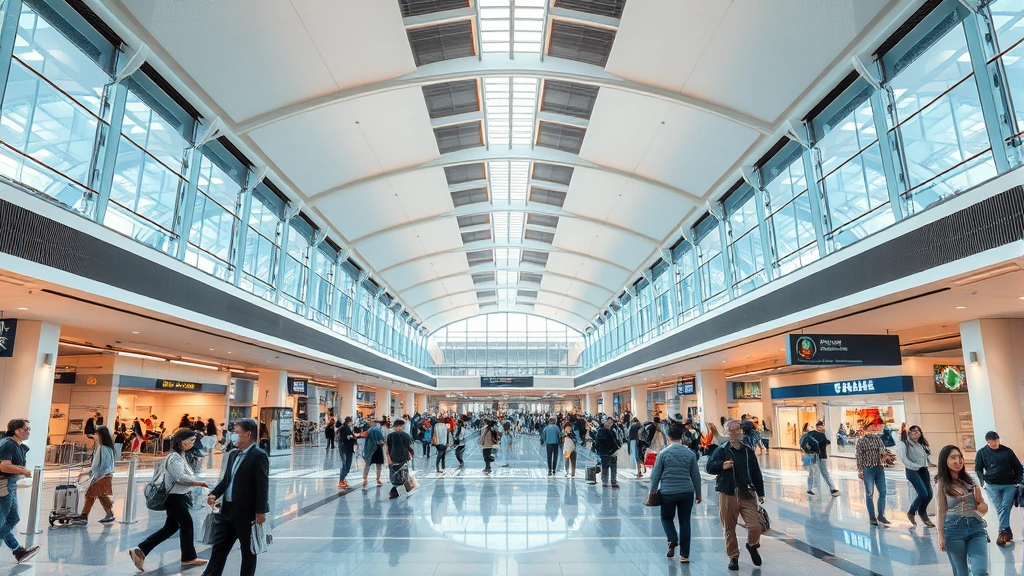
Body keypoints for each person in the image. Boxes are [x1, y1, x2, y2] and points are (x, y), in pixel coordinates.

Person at [128, 429, 210, 571]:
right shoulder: (174, 457)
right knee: (187, 524)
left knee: (171, 527)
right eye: (190, 440)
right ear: (180, 441)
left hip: (180, 496)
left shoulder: (181, 455)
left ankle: (140, 550)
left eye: (193, 441)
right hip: (175, 497)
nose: (192, 443)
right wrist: (199, 482)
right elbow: (179, 477)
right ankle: (188, 557)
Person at [200, 418, 270, 576]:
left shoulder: (258, 455)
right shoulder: (232, 455)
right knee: (218, 550)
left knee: (248, 552)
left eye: (236, 432)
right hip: (227, 512)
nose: (233, 436)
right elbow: (226, 480)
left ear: (247, 434)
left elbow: (262, 485)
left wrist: (260, 511)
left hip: (246, 514)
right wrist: (214, 494)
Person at [706, 419, 765, 571]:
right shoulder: (722, 450)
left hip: (746, 493)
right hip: (728, 493)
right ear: (727, 433)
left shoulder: (747, 451)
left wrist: (760, 492)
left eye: (737, 431)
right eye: (732, 432)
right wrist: (721, 465)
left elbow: (756, 472)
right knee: (729, 527)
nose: (735, 434)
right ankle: (733, 556)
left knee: (755, 526)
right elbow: (709, 467)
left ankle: (752, 545)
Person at [650, 423, 702, 563]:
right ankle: (684, 555)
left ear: (668, 437)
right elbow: (696, 475)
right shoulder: (690, 454)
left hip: (668, 492)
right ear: (682, 437)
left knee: (666, 518)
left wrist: (653, 490)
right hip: (686, 491)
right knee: (685, 522)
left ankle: (672, 539)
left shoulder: (664, 454)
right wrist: (698, 493)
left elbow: (655, 474)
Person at [936, 444, 990, 576]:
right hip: (953, 530)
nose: (958, 461)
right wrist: (941, 535)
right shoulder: (941, 484)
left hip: (976, 528)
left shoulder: (971, 480)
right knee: (961, 572)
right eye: (953, 457)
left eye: (960, 457)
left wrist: (979, 502)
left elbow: (983, 510)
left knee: (980, 571)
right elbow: (941, 511)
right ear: (945, 461)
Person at [0, 419, 39, 564]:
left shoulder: (16, 445)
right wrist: (22, 470)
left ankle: (17, 550)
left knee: (13, 518)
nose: (28, 431)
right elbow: (4, 467)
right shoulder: (8, 444)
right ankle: (18, 550)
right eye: (25, 429)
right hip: (3, 484)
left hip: (10, 484)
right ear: (16, 430)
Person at [974, 430, 1022, 547]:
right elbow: (978, 469)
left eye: (995, 442)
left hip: (1009, 484)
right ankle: (1006, 531)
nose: (994, 444)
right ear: (987, 442)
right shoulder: (982, 453)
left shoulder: (1007, 451)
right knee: (1000, 508)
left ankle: (1003, 532)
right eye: (991, 443)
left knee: (1005, 506)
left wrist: (1018, 481)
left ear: (998, 440)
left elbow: (1017, 466)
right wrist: (983, 482)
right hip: (992, 484)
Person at [74, 425, 116, 524]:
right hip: (103, 476)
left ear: (100, 435)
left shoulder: (103, 448)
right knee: (95, 495)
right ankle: (106, 513)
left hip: (102, 476)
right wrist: (87, 473)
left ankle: (85, 516)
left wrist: (95, 476)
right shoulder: (106, 448)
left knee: (94, 495)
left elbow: (103, 465)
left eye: (96, 433)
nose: (95, 435)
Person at [856, 416, 893, 526]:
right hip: (867, 469)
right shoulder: (861, 441)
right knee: (869, 494)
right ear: (866, 428)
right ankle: (872, 517)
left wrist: (887, 457)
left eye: (873, 427)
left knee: (883, 492)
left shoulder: (878, 439)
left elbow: (883, 450)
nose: (873, 428)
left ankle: (881, 515)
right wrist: (860, 470)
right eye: (870, 427)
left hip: (879, 468)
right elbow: (858, 456)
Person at [901, 424, 934, 527]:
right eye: (913, 432)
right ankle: (913, 512)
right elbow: (904, 459)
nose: (915, 434)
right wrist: (915, 466)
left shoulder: (922, 444)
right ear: (909, 433)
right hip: (912, 470)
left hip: (923, 469)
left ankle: (922, 512)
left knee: (930, 494)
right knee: (923, 493)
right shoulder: (905, 443)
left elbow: (925, 456)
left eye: (917, 432)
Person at [801, 421, 839, 497]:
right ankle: (832, 489)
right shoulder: (821, 435)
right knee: (824, 472)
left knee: (812, 472)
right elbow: (826, 442)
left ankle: (809, 488)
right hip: (821, 456)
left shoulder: (809, 435)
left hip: (811, 455)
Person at [385, 419, 416, 499]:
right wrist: (412, 454)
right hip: (403, 458)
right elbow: (410, 447)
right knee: (404, 475)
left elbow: (387, 449)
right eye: (402, 426)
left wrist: (388, 459)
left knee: (395, 476)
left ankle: (394, 492)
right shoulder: (406, 436)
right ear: (399, 426)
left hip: (393, 458)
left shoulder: (390, 436)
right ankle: (404, 491)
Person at [594, 418, 622, 489]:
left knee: (613, 467)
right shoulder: (601, 431)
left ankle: (613, 481)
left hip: (612, 452)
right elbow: (598, 442)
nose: (609, 424)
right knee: (605, 467)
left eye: (611, 423)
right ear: (605, 423)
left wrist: (615, 449)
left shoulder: (612, 431)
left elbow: (615, 441)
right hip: (605, 453)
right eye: (608, 423)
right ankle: (605, 482)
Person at [361, 419, 386, 489]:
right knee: (379, 465)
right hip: (377, 449)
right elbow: (381, 440)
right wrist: (383, 443)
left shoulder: (369, 430)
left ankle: (365, 479)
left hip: (370, 449)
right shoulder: (378, 430)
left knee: (368, 464)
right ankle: (378, 479)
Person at [337, 417, 356, 489]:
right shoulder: (343, 428)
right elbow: (346, 437)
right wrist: (351, 437)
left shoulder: (346, 428)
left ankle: (343, 478)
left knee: (347, 463)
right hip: (344, 448)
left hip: (347, 448)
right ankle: (341, 479)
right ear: (349, 421)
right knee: (345, 463)